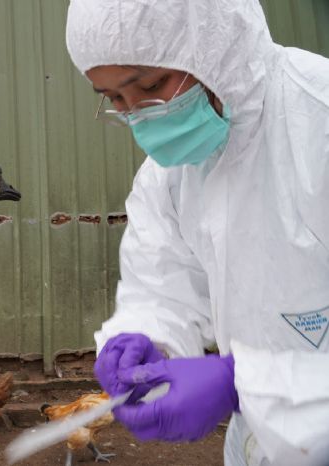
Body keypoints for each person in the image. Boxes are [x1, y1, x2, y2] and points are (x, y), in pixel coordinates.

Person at [65, 1, 329, 465]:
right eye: (115, 100)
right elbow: (162, 283)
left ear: (214, 42)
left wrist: (246, 383)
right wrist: (145, 337)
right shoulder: (169, 177)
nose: (137, 116)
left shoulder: (318, 122)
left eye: (148, 86)